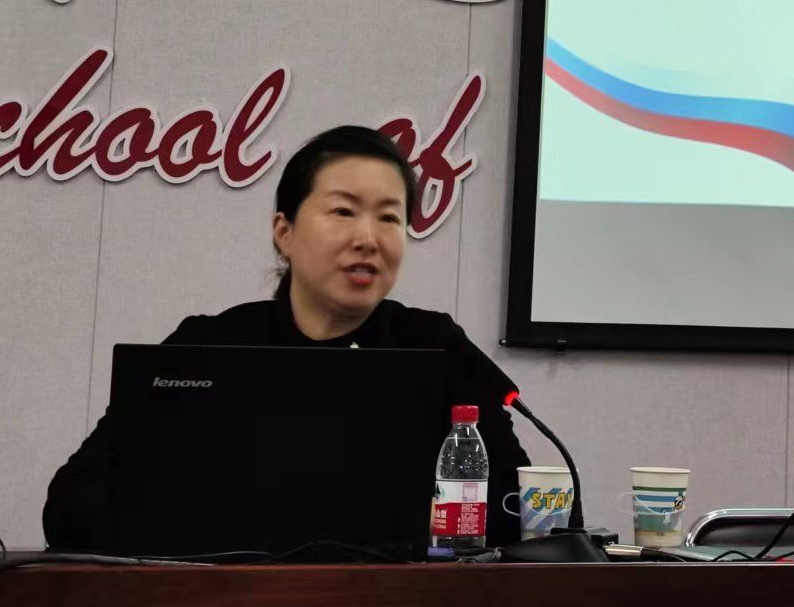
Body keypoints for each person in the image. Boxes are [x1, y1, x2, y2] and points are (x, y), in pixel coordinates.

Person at [43, 125, 530, 550]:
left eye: (389, 217)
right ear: (284, 232)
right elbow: (74, 500)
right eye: (343, 211)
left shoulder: (435, 346)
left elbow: (517, 507)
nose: (368, 238)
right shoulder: (209, 346)